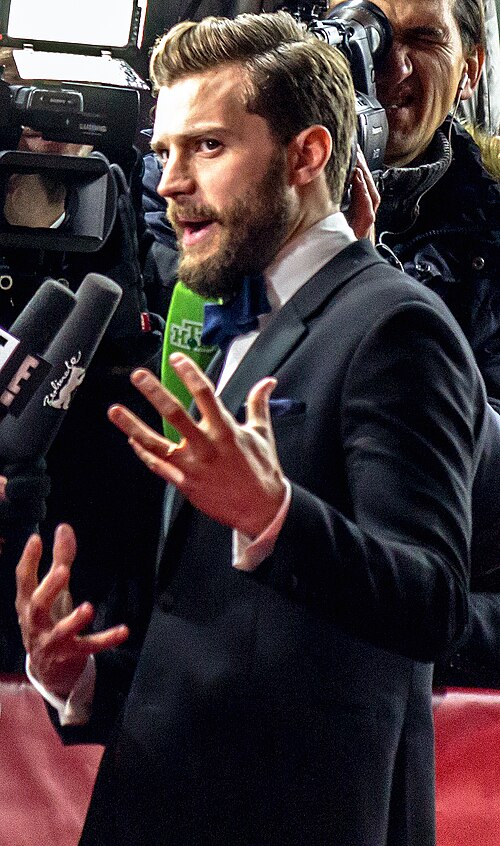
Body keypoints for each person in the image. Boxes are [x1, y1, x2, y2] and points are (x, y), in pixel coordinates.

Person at [17, 12, 486, 845]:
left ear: (307, 155)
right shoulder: (238, 322)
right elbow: (232, 642)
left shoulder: (395, 327)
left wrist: (275, 516)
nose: (167, 183)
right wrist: (81, 677)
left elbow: (433, 603)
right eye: (163, 152)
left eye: (206, 147)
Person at [0, 48, 165, 670]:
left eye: (70, 116)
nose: (49, 133)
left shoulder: (112, 198)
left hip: (77, 539)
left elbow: (137, 376)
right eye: (31, 108)